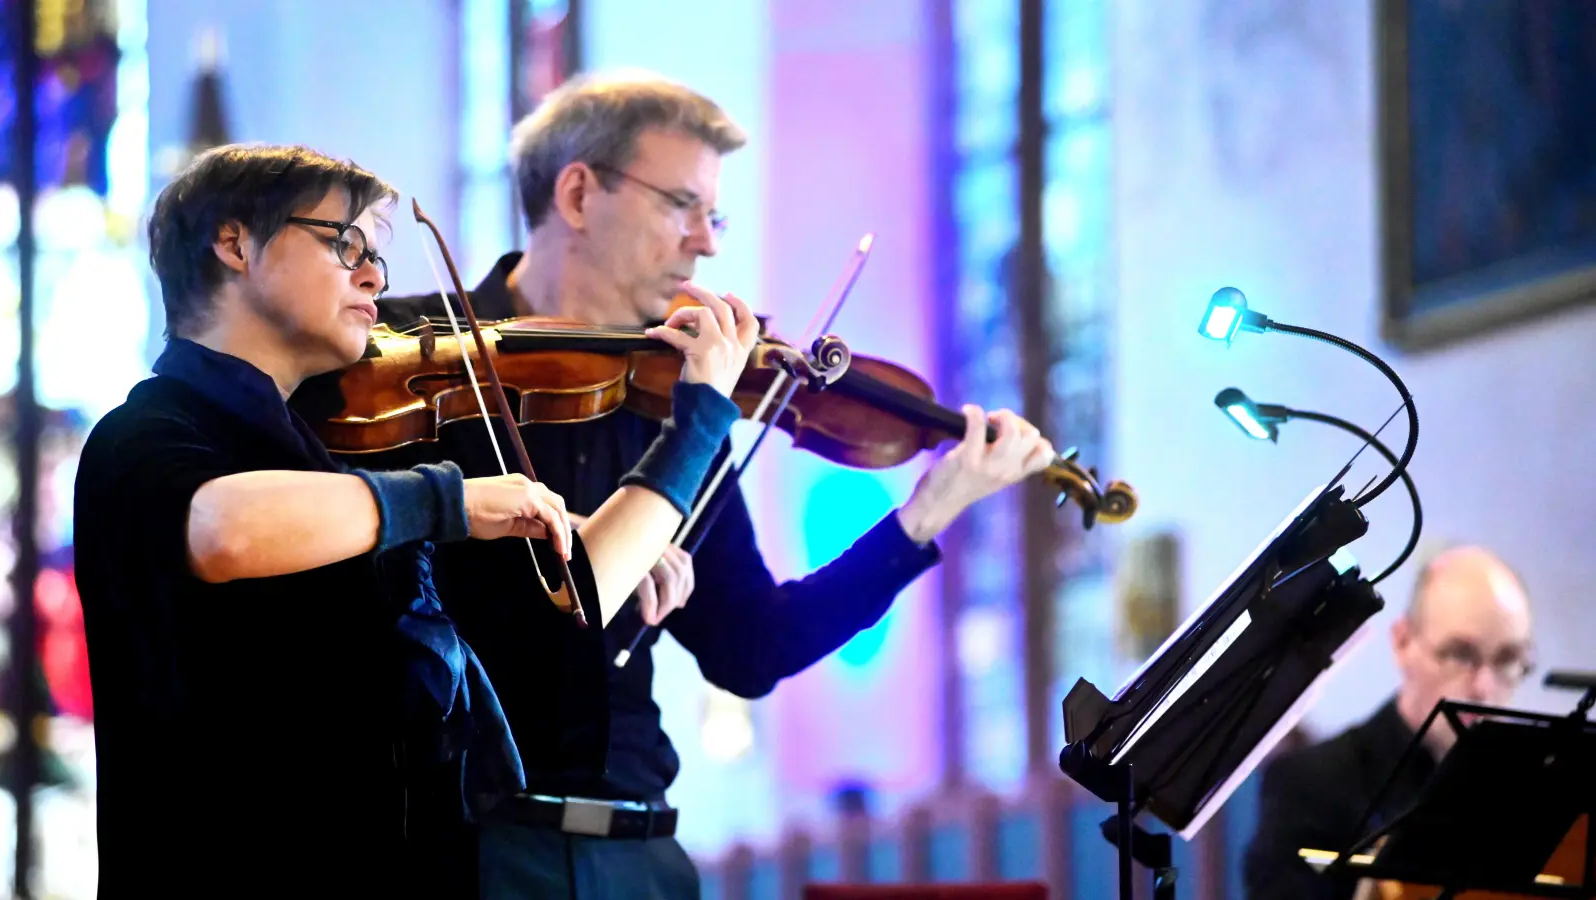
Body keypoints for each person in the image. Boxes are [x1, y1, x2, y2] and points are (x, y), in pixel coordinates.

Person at [322, 70, 1059, 899]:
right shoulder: (407, 359)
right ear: (577, 194)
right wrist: (580, 530)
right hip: (468, 852)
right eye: (684, 205)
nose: (706, 242)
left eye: (716, 216)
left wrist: (930, 512)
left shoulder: (678, 397)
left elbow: (751, 648)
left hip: (644, 854)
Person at [74, 142, 755, 895]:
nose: (373, 276)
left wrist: (647, 477)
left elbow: (570, 594)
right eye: (345, 245)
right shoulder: (147, 433)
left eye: (377, 255)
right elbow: (221, 530)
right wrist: (453, 499)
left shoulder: (325, 464)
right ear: (234, 242)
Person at [1241, 545, 1536, 900]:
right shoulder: (1308, 785)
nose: (1483, 688)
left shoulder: (1536, 789)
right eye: (1461, 653)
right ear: (1402, 642)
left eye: (1508, 658)